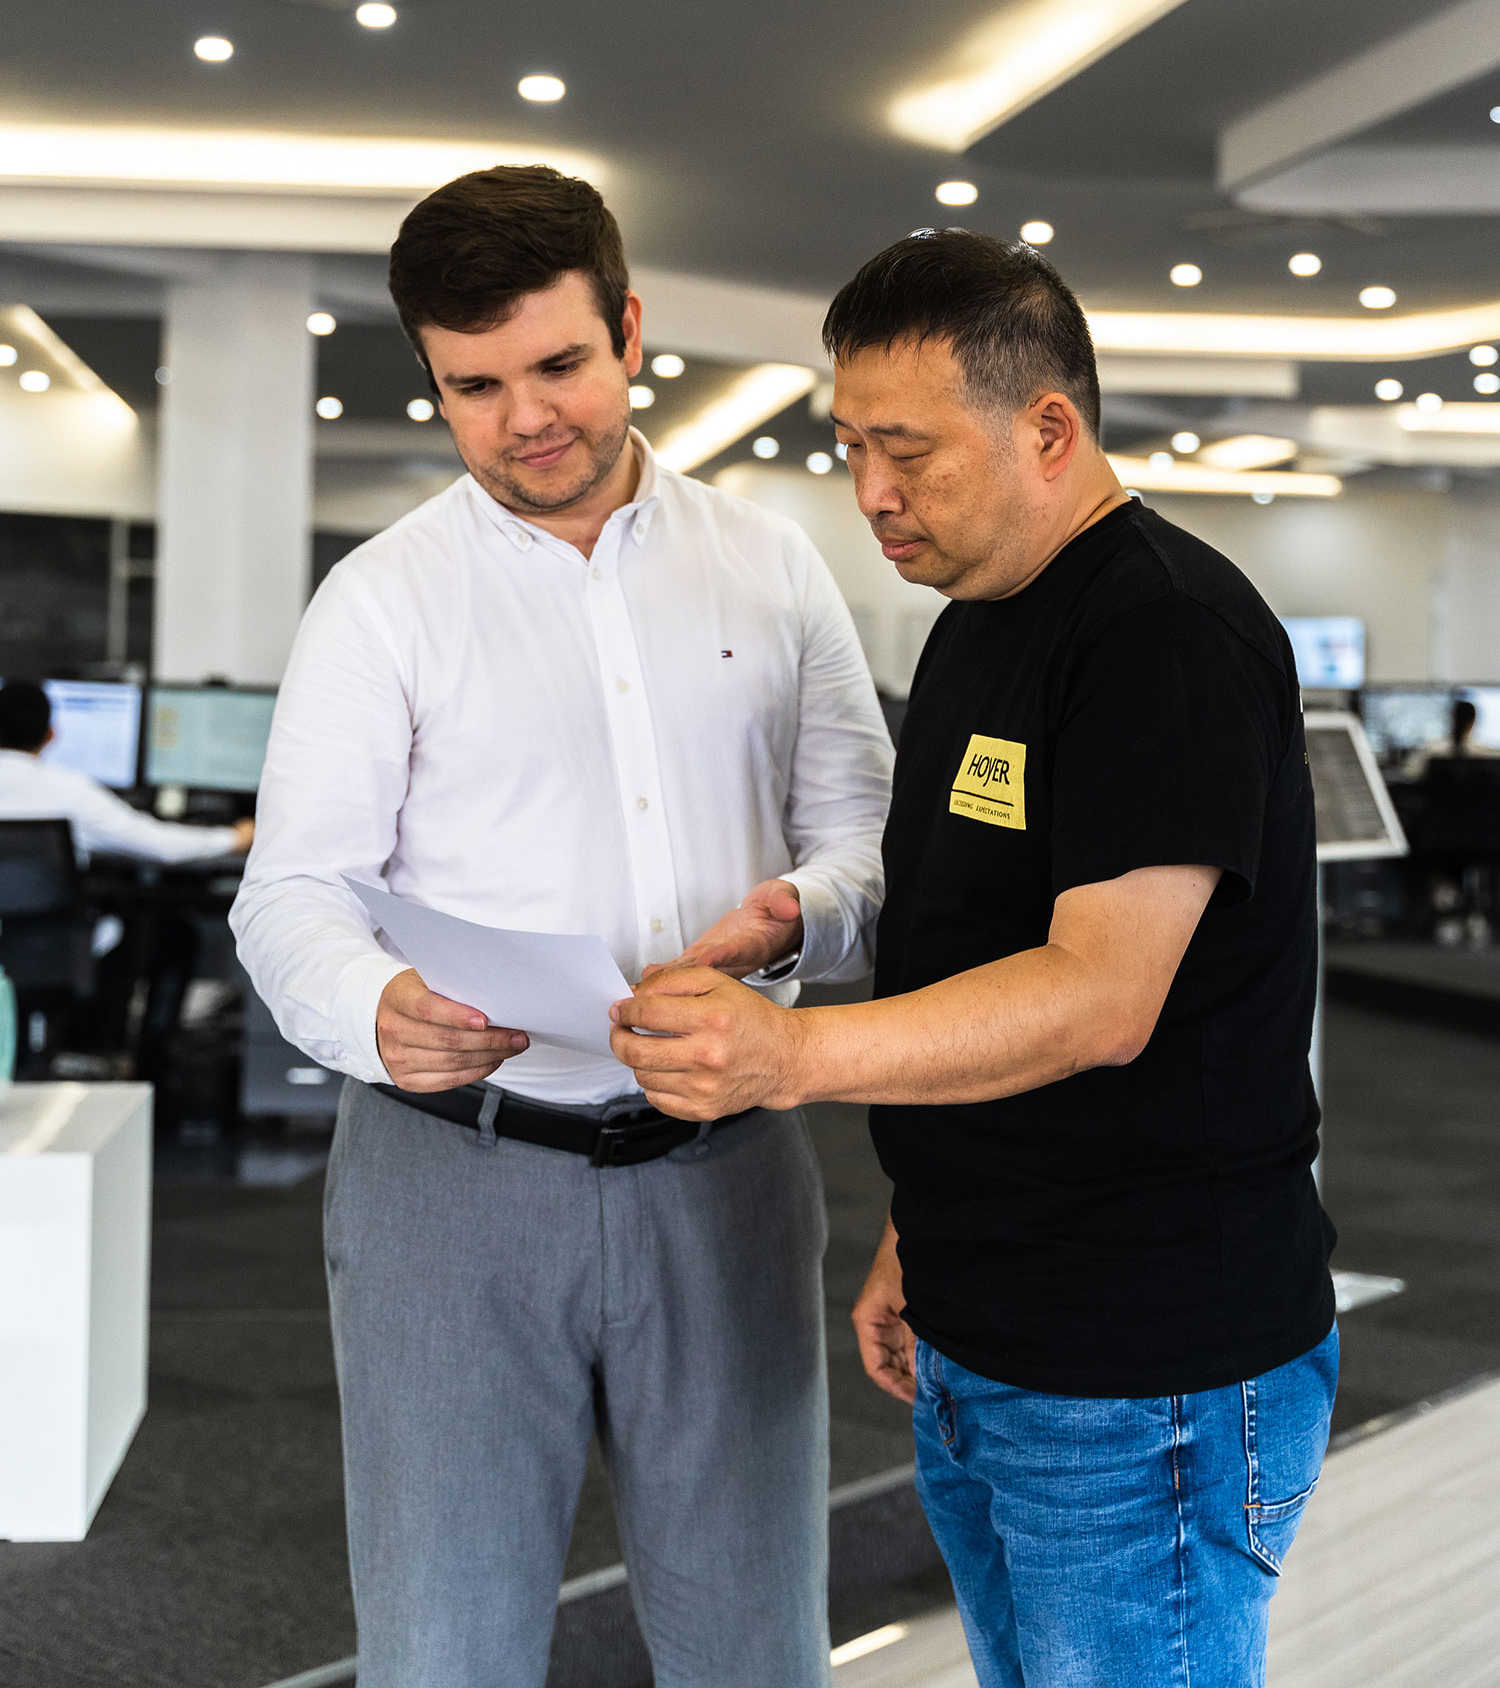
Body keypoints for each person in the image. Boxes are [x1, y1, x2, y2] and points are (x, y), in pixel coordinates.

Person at [611, 230, 1338, 1688]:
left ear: (1048, 429)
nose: (871, 492)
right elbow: (973, 936)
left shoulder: (1164, 632)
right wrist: (921, 1226)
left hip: (1143, 1363)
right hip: (993, 1310)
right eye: (852, 446)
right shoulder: (977, 625)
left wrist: (788, 1054)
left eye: (909, 451)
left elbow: (1098, 995)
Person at [231, 165, 891, 1688]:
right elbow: (292, 891)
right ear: (433, 379)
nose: (524, 418)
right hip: (449, 1181)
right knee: (444, 1650)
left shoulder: (772, 566)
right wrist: (372, 1007)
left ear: (631, 332)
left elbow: (866, 838)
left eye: (559, 365)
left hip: (725, 1166)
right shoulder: (381, 600)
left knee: (754, 1645)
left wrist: (800, 915)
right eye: (475, 386)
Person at [0, 680, 251, 862]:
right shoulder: (71, 791)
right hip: (51, 921)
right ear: (51, 735)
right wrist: (234, 838)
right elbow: (158, 844)